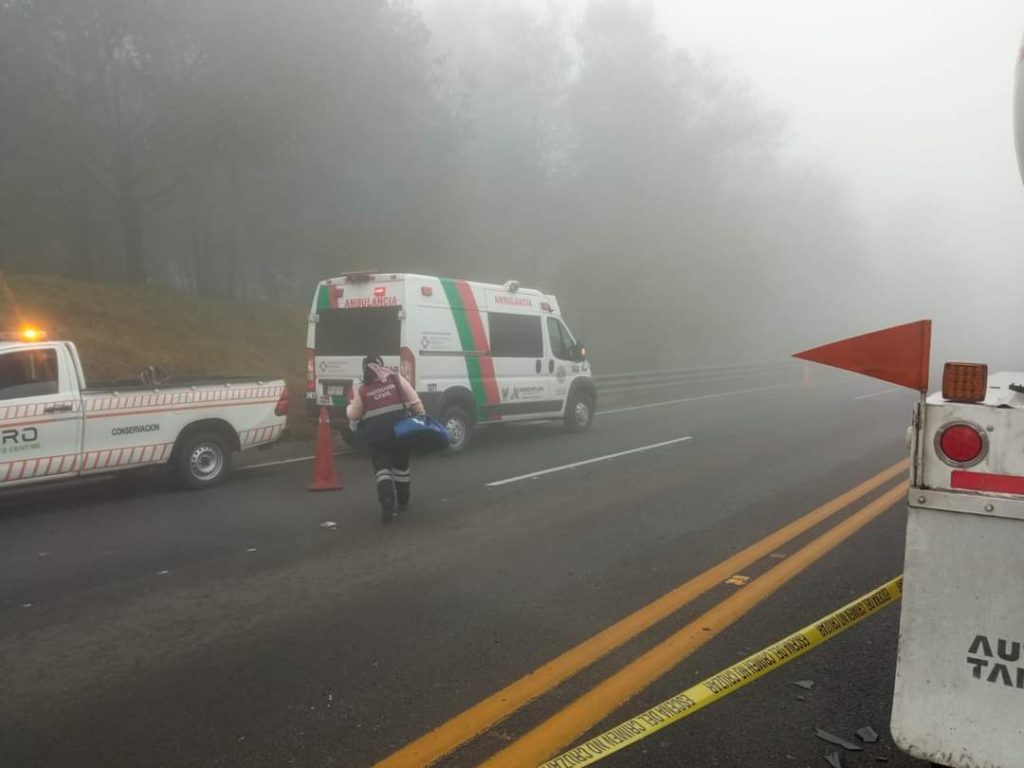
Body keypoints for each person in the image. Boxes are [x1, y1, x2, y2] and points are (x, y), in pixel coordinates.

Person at [346, 354, 425, 524]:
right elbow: (414, 401)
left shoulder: (363, 390)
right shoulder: (396, 379)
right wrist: (423, 419)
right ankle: (403, 502)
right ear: (382, 365)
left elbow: (353, 414)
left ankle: (387, 503)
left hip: (376, 435)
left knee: (382, 469)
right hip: (400, 432)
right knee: (401, 467)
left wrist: (349, 410)